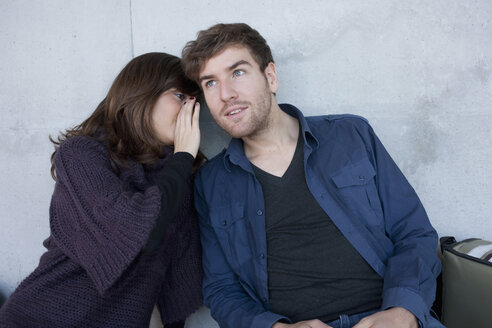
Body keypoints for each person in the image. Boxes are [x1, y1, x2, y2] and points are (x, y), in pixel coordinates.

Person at [181, 23, 445, 328]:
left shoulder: (351, 136)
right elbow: (222, 289)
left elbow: (414, 233)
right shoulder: (211, 184)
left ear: (271, 77)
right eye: (210, 83)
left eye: (237, 72)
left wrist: (404, 312)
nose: (225, 94)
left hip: (388, 317)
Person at [0, 52, 204, 327]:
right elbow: (133, 228)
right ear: (143, 92)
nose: (190, 110)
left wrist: (182, 164)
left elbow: (177, 277)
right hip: (40, 318)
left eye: (195, 102)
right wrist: (183, 158)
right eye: (180, 96)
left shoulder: (178, 179)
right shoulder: (80, 154)